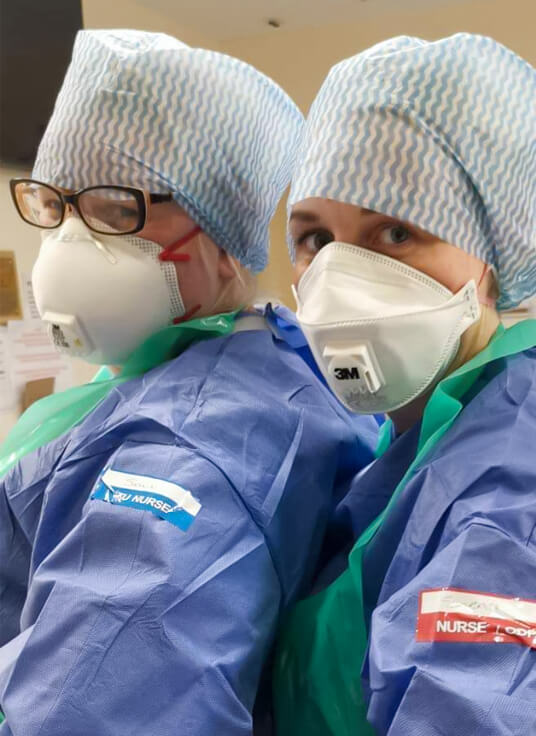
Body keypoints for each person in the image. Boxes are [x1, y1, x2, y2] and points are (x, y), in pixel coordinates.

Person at [271, 34, 536, 735]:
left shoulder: (523, 495)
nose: (339, 279)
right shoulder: (424, 439)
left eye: (394, 234)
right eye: (316, 241)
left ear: (495, 258)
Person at [0, 30, 378, 734]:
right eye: (55, 204)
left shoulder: (194, 448)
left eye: (118, 209)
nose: (68, 243)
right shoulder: (221, 371)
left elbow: (94, 710)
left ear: (223, 226)